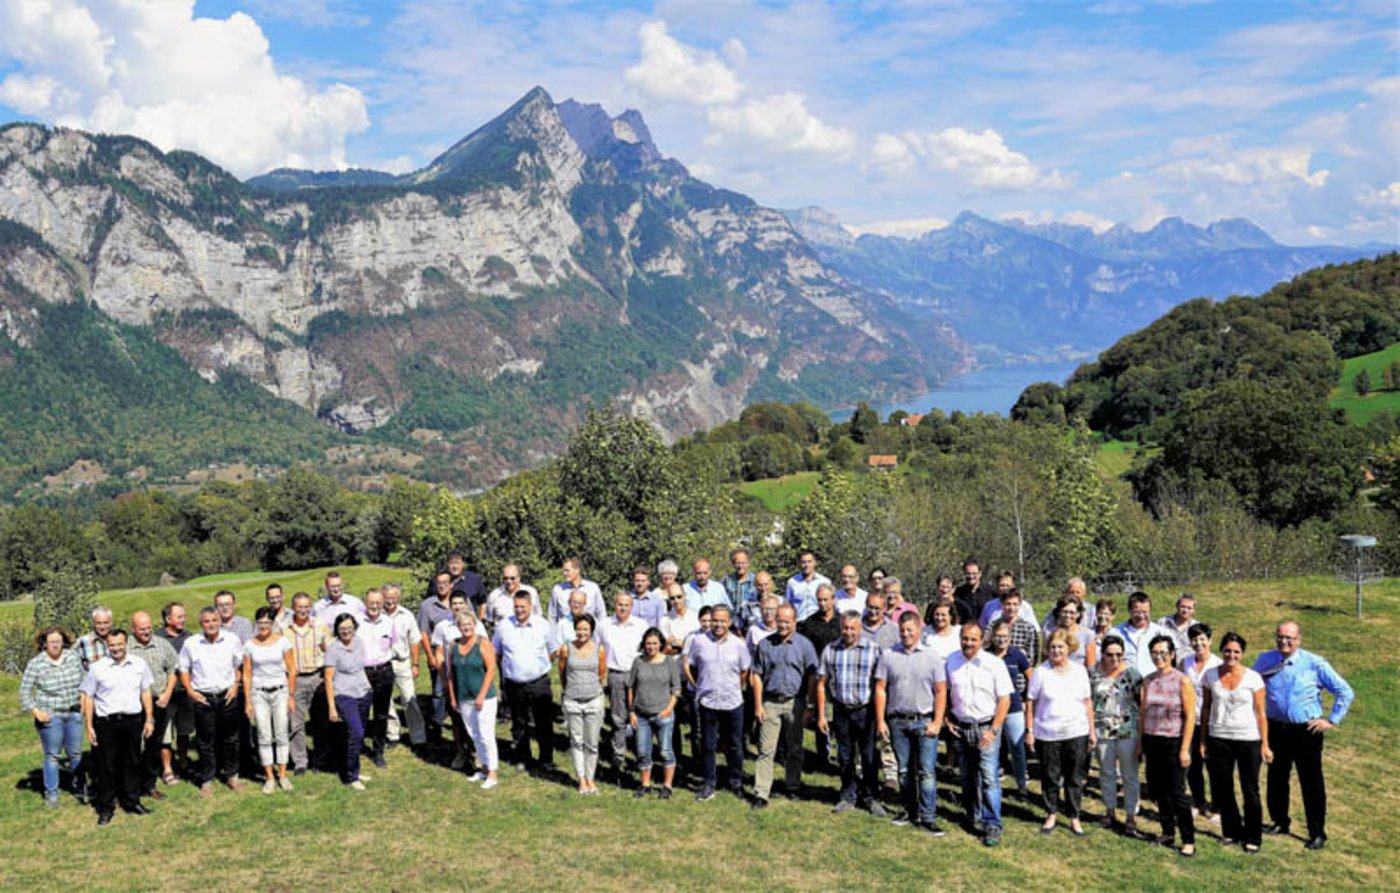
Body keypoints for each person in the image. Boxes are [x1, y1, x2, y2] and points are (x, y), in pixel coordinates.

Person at [1254, 620, 1353, 851]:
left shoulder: (1314, 663)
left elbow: (1344, 691)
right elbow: (1251, 684)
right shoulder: (1265, 660)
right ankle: (1280, 821)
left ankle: (1317, 832)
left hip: (1306, 732)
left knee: (1311, 782)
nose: (1284, 641)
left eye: (1289, 637)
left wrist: (1331, 720)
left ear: (1299, 639)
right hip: (1276, 728)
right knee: (1277, 778)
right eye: (1280, 637)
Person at [874, 611, 947, 835]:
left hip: (924, 721)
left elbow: (941, 690)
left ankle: (928, 817)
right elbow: (880, 689)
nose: (906, 634)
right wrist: (880, 721)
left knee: (926, 771)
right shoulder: (888, 655)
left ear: (919, 630)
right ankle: (909, 809)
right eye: (903, 630)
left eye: (910, 630)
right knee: (904, 771)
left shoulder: (932, 656)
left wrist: (937, 721)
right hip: (898, 722)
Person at [1200, 632, 1270, 853]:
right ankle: (1230, 831)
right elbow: (1206, 708)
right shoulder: (1210, 675)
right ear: (1221, 652)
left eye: (1236, 652)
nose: (1231, 655)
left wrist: (1265, 744)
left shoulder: (1253, 678)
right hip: (1219, 737)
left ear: (1243, 654)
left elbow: (1260, 713)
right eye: (1228, 651)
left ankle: (1253, 836)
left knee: (1250, 789)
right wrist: (1203, 740)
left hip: (1247, 739)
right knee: (1224, 788)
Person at [945, 623, 1012, 846]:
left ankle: (992, 823)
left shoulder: (994, 664)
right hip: (961, 727)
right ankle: (972, 814)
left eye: (973, 639)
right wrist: (946, 718)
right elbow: (944, 692)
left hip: (986, 727)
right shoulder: (951, 661)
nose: (968, 643)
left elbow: (1004, 699)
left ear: (982, 640)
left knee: (989, 777)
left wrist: (993, 730)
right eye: (965, 638)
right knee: (966, 776)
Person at [80, 629, 154, 825]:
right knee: (107, 766)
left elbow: (145, 691)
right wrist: (89, 726)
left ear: (126, 643)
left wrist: (149, 719)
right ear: (107, 646)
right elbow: (88, 697)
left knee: (132, 762)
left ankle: (132, 801)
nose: (116, 648)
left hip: (133, 720)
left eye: (120, 644)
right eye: (112, 645)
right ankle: (106, 807)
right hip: (106, 723)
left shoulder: (139, 664)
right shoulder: (97, 668)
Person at [816, 611, 887, 817]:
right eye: (845, 628)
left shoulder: (873, 650)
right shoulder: (831, 650)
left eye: (852, 628)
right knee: (845, 756)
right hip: (841, 710)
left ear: (859, 629)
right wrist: (821, 714)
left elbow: (881, 684)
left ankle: (872, 797)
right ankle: (847, 795)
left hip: (865, 710)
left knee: (869, 756)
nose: (848, 632)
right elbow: (822, 684)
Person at [1026, 628, 1096, 836]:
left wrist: (1091, 731)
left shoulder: (1079, 671)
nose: (1056, 651)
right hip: (1047, 733)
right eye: (1053, 647)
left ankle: (1074, 816)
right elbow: (1031, 703)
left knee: (1074, 777)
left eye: (1060, 647)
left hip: (1076, 731)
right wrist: (1030, 730)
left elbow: (1087, 702)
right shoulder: (1040, 672)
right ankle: (1051, 814)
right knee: (1050, 775)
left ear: (1069, 648)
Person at [751, 605, 819, 808]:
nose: (782, 624)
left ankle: (793, 786)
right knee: (766, 749)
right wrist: (757, 704)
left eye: (787, 621)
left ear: (794, 622)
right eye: (780, 620)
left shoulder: (805, 645)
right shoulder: (765, 644)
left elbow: (813, 675)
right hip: (770, 702)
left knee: (795, 748)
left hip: (794, 703)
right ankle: (762, 792)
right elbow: (756, 675)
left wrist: (809, 705)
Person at [684, 604, 751, 801]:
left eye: (723, 621)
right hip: (708, 702)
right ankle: (709, 784)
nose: (718, 624)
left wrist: (734, 686)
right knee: (708, 745)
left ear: (729, 622)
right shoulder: (699, 641)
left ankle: (736, 782)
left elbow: (745, 670)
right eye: (715, 620)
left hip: (733, 702)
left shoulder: (739, 644)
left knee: (735, 745)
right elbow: (691, 665)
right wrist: (701, 685)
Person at [1139, 634, 1198, 856]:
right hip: (1152, 740)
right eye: (1154, 653)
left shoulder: (1182, 680)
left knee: (1177, 793)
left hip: (1174, 741)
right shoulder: (1148, 680)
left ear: (1172, 654)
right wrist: (1140, 744)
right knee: (1158, 790)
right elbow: (1143, 713)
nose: (1158, 657)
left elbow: (1190, 715)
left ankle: (1188, 839)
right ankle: (1167, 831)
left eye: (1163, 653)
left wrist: (1184, 748)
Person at [179, 606, 245, 795]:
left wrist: (235, 685)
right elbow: (183, 669)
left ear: (220, 622)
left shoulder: (231, 640)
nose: (211, 624)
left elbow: (238, 665)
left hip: (227, 695)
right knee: (205, 741)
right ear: (201, 623)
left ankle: (232, 775)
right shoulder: (191, 643)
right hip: (204, 698)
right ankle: (207, 778)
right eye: (207, 621)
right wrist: (190, 691)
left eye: (214, 620)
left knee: (231, 738)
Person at [493, 590, 561, 773]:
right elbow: (496, 653)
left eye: (523, 606)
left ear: (530, 606)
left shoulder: (543, 625)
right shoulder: (503, 626)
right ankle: (523, 758)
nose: (519, 610)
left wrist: (537, 665)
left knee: (543, 723)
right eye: (516, 606)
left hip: (538, 682)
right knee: (518, 722)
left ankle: (546, 759)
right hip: (514, 683)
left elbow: (553, 650)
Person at [19, 626, 85, 806]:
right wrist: (36, 711)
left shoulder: (72, 657)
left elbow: (84, 680)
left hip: (74, 713)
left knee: (76, 753)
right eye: (51, 642)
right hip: (51, 716)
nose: (55, 645)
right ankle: (52, 793)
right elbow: (24, 692)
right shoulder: (36, 664)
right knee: (52, 755)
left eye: (58, 641)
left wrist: (84, 702)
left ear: (63, 641)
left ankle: (80, 787)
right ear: (44, 644)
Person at [1090, 635, 1142, 833]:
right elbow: (1088, 702)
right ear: (1102, 654)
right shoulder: (1093, 673)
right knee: (1106, 772)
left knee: (1130, 774)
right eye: (1110, 655)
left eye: (1119, 655)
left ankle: (1130, 815)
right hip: (1102, 729)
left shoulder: (1132, 674)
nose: (1114, 659)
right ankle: (1109, 811)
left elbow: (1141, 702)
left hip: (1128, 730)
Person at [241, 607, 295, 793]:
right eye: (260, 623)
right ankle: (269, 777)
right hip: (259, 693)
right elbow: (247, 674)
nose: (264, 626)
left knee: (281, 733)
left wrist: (291, 696)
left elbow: (291, 669)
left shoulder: (283, 642)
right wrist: (248, 700)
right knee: (264, 735)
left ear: (272, 624)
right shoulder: (249, 645)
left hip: (280, 691)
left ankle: (282, 775)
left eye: (267, 623)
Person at [127, 611, 178, 802]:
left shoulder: (162, 644)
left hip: (159, 701)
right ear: (133, 629)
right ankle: (130, 786)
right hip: (133, 704)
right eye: (142, 629)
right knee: (131, 747)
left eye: (149, 627)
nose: (147, 632)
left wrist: (167, 693)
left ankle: (149, 785)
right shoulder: (127, 646)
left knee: (154, 746)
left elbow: (173, 670)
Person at [446, 612, 500, 789]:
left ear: (474, 624)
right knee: (474, 734)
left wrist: (482, 695)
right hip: (464, 698)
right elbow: (451, 674)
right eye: (463, 624)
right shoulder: (453, 645)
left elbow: (491, 669)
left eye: (469, 624)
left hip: (484, 698)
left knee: (486, 735)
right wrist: (453, 698)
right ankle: (483, 768)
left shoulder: (483, 643)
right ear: (458, 627)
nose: (466, 627)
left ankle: (492, 772)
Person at [599, 592, 648, 778]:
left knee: (640, 717)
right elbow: (599, 650)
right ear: (614, 604)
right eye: (619, 604)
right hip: (616, 675)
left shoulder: (641, 625)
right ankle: (617, 758)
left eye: (626, 605)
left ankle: (641, 757)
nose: (622, 608)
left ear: (631, 606)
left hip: (638, 675)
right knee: (618, 719)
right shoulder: (605, 625)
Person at [628, 628, 681, 798]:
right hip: (641, 714)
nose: (651, 647)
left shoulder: (669, 662)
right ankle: (645, 785)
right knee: (643, 751)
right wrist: (631, 711)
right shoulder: (638, 662)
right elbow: (631, 686)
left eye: (655, 643)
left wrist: (669, 709)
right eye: (648, 643)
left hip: (663, 714)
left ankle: (667, 786)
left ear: (661, 644)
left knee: (665, 751)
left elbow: (676, 688)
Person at [559, 613, 607, 794]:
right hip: (572, 701)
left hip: (593, 700)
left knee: (592, 743)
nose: (582, 632)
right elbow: (562, 673)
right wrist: (569, 691)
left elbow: (601, 674)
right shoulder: (566, 648)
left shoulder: (599, 649)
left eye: (585, 629)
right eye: (579, 628)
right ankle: (581, 780)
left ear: (591, 630)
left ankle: (591, 778)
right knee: (577, 741)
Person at [282, 593, 329, 775]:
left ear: (310, 607)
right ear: (293, 607)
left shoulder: (320, 625)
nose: (303, 610)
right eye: (299, 607)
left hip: (317, 677)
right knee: (296, 723)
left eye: (306, 607)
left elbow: (329, 648)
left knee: (320, 720)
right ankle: (300, 761)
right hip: (295, 679)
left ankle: (321, 759)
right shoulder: (283, 628)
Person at [324, 613, 373, 790]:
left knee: (356, 736)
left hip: (363, 692)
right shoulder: (333, 649)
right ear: (337, 630)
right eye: (342, 629)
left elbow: (360, 667)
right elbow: (328, 679)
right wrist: (332, 707)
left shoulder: (359, 642)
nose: (346, 632)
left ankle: (354, 769)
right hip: (344, 695)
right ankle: (351, 776)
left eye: (349, 628)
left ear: (354, 628)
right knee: (357, 733)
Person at [986, 620, 1032, 797]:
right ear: (992, 637)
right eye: (998, 636)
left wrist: (1026, 699)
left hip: (1013, 707)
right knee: (992, 748)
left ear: (1010, 637)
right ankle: (992, 786)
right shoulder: (986, 655)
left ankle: (1021, 785)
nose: (1001, 640)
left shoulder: (1016, 655)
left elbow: (1031, 678)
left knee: (1017, 746)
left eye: (1004, 636)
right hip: (991, 708)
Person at [1180, 621, 1221, 819]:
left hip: (1213, 722)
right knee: (1193, 764)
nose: (1198, 643)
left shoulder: (1218, 664)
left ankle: (1218, 806)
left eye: (1202, 639)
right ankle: (1198, 800)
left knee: (1213, 765)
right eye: (1194, 640)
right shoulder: (1185, 662)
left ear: (1210, 640)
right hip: (1190, 720)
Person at [799, 584, 842, 769]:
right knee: (820, 717)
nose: (823, 603)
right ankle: (822, 756)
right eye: (820, 600)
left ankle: (842, 755)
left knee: (839, 719)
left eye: (826, 599)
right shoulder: (810, 623)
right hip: (817, 678)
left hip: (839, 677)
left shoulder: (841, 622)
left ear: (833, 599)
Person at [382, 584, 426, 750]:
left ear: (398, 598)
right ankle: (392, 734)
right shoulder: (376, 615)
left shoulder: (406, 615)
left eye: (393, 597)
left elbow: (414, 641)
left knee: (409, 699)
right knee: (386, 701)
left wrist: (415, 664)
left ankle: (418, 737)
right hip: (383, 663)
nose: (390, 600)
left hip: (402, 662)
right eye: (387, 597)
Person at [418, 570, 460, 743]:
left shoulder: (460, 601)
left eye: (445, 582)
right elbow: (424, 633)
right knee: (438, 691)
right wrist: (430, 656)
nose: (441, 586)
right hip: (439, 655)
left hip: (460, 655)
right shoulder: (427, 605)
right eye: (438, 583)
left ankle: (459, 720)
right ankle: (436, 724)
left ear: (451, 585)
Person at [155, 602, 194, 784]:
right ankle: (167, 769)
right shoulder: (158, 639)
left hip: (185, 692)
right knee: (165, 735)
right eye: (179, 617)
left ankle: (184, 762)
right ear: (168, 619)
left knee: (184, 731)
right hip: (166, 693)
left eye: (184, 616)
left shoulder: (189, 638)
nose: (183, 619)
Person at [358, 589, 396, 768]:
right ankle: (356, 747)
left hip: (383, 671)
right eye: (371, 602)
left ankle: (378, 751)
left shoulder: (389, 622)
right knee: (361, 712)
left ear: (382, 604)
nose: (374, 606)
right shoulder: (356, 621)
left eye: (378, 603)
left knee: (381, 714)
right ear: (365, 602)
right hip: (361, 672)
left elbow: (394, 645)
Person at [1113, 591, 1166, 676]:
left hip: (1154, 682)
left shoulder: (1161, 633)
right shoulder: (1115, 633)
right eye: (1137, 612)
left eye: (1145, 612)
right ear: (1129, 610)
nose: (1141, 616)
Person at [987, 589, 1040, 666]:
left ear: (1020, 605)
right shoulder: (992, 626)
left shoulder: (1028, 628)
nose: (1011, 608)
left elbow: (1032, 658)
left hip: (1020, 672)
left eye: (1015, 604)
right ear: (1002, 604)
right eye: (1008, 604)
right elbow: (986, 651)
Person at [483, 564, 541, 631]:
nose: (509, 581)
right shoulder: (494, 596)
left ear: (519, 578)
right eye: (505, 578)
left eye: (512, 578)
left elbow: (538, 616)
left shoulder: (531, 593)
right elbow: (489, 621)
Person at [548, 557, 605, 622]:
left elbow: (601, 613)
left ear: (577, 570)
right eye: (564, 571)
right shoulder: (558, 590)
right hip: (564, 630)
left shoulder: (593, 588)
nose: (564, 573)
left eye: (567, 570)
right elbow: (552, 615)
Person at [433, 550, 486, 616]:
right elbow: (430, 604)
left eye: (458, 563)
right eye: (452, 563)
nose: (455, 566)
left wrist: (479, 622)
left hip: (468, 623)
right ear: (447, 564)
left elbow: (483, 603)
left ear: (463, 564)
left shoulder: (474, 579)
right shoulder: (437, 581)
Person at [785, 550, 830, 622]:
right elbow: (788, 606)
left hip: (819, 622)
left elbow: (830, 605)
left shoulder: (824, 582)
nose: (807, 565)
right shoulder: (792, 583)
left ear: (815, 562)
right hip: (799, 623)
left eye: (809, 561)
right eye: (803, 562)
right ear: (799, 563)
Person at [1053, 596, 1098, 667]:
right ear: (1059, 612)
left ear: (1078, 614)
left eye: (1072, 612)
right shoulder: (1051, 634)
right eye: (1064, 611)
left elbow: (1091, 665)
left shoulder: (1087, 635)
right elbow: (1046, 663)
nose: (1068, 615)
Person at [722, 549, 759, 632]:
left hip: (752, 625)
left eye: (743, 563)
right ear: (733, 564)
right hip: (731, 626)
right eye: (737, 563)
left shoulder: (756, 580)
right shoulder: (727, 580)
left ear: (748, 563)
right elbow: (722, 602)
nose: (740, 566)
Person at [952, 559, 996, 625]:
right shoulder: (958, 593)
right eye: (968, 573)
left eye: (974, 573)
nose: (971, 576)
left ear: (980, 573)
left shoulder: (990, 592)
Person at [628, 567, 667, 631]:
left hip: (650, 637)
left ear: (648, 582)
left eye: (643, 581)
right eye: (637, 580)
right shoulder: (626, 598)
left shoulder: (657, 600)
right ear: (633, 581)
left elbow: (661, 624)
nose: (640, 584)